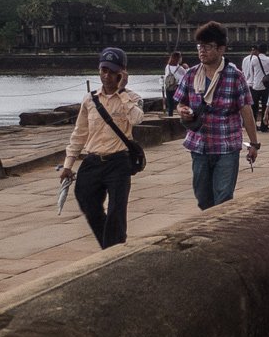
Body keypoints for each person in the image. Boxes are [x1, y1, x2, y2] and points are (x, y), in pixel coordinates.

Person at [58, 47, 142, 249]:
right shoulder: (90, 99)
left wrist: (121, 92)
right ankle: (110, 246)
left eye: (112, 72)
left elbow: (137, 119)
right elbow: (80, 133)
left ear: (122, 73)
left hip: (118, 162)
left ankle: (113, 248)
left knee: (116, 211)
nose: (107, 76)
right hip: (93, 160)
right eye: (104, 70)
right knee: (86, 201)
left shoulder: (132, 98)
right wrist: (68, 164)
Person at [175, 21, 261, 209]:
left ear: (221, 49)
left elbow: (246, 111)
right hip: (199, 145)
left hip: (226, 144)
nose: (202, 51)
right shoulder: (191, 74)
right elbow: (180, 102)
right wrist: (182, 110)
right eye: (200, 46)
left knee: (223, 197)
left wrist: (254, 144)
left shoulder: (235, 75)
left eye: (208, 46)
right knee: (202, 197)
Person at [242, 43, 269, 132]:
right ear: (266, 50)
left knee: (254, 107)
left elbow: (251, 72)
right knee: (266, 106)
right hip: (266, 86)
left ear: (258, 50)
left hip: (255, 86)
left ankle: (253, 125)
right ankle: (264, 125)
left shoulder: (254, 60)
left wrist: (253, 81)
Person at [162, 50, 187, 116]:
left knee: (170, 103)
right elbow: (187, 75)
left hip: (168, 86)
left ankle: (170, 116)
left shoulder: (167, 66)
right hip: (177, 87)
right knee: (181, 103)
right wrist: (187, 68)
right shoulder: (180, 68)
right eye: (180, 57)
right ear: (178, 59)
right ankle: (182, 115)